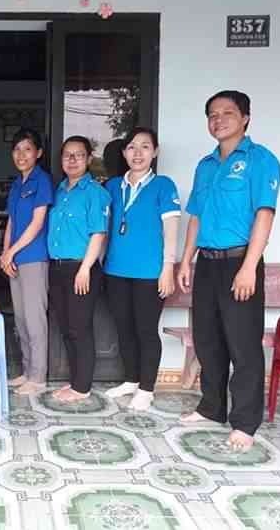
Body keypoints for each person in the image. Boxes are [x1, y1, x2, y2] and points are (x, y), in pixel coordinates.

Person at [177, 90, 280, 452]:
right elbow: (196, 217)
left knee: (243, 343)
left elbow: (264, 215)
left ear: (245, 118)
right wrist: (186, 260)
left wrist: (249, 267)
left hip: (240, 262)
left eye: (227, 113)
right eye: (212, 114)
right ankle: (212, 407)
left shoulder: (260, 160)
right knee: (207, 339)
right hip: (207, 263)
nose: (218, 120)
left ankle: (245, 422)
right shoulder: (205, 165)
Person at [103, 127, 181, 411]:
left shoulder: (163, 185)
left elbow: (171, 229)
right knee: (124, 329)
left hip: (150, 273)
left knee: (146, 330)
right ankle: (131, 380)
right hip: (115, 270)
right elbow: (103, 228)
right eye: (132, 147)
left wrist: (168, 268)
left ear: (155, 152)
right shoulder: (113, 187)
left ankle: (147, 389)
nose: (138, 153)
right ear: (124, 153)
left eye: (145, 147)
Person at [47, 136, 111, 403]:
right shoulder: (59, 191)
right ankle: (75, 381)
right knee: (66, 327)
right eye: (67, 155)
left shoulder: (95, 193)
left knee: (80, 328)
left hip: (81, 268)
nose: (72, 160)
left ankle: (82, 387)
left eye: (79, 155)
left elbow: (99, 233)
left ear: (88, 159)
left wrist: (85, 269)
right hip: (57, 267)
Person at [0, 128, 54, 395]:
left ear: (39, 153)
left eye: (28, 149)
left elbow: (37, 223)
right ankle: (26, 371)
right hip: (16, 259)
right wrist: (5, 252)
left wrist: (12, 252)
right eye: (17, 149)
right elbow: (11, 221)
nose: (21, 155)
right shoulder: (17, 184)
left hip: (34, 258)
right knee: (20, 319)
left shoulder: (42, 180)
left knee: (34, 319)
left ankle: (38, 377)